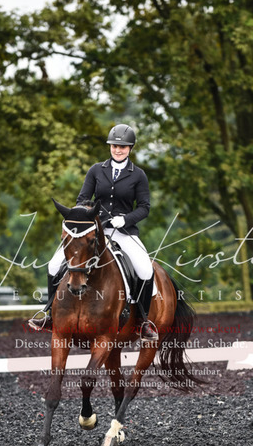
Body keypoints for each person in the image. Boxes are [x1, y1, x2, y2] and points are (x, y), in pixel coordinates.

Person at [29, 123, 158, 341]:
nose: (118, 150)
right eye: (114, 146)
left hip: (123, 231)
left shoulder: (138, 175)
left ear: (130, 148)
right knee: (53, 265)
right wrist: (90, 216)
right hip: (92, 230)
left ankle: (143, 322)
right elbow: (82, 199)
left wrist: (125, 219)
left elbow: (144, 207)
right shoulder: (96, 170)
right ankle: (50, 315)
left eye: (122, 147)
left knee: (145, 269)